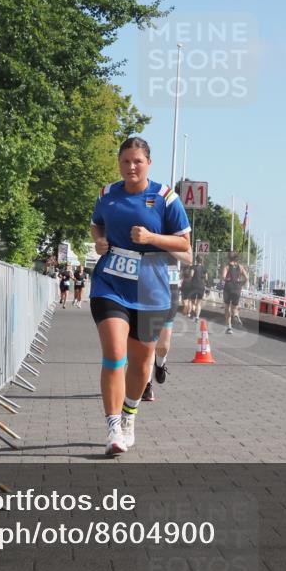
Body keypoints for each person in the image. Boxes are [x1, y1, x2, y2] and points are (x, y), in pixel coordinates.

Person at [89, 137, 191, 455]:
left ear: (148, 163)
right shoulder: (108, 194)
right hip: (110, 284)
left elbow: (185, 245)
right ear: (119, 163)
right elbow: (96, 226)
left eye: (137, 161)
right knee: (114, 353)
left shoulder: (165, 198)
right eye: (125, 161)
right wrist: (100, 242)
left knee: (141, 363)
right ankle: (112, 428)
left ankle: (129, 415)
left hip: (151, 288)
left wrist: (151, 237)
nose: (131, 167)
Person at [141, 244, 194, 402]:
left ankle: (160, 363)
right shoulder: (144, 227)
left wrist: (163, 243)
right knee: (149, 342)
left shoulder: (175, 231)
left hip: (170, 290)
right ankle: (147, 385)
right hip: (146, 287)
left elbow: (188, 257)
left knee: (162, 345)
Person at [220, 251, 249, 334]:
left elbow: (223, 277)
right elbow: (247, 278)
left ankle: (229, 327)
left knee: (227, 307)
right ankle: (236, 315)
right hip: (237, 288)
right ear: (236, 258)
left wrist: (226, 279)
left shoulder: (227, 267)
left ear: (229, 258)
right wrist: (241, 284)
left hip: (228, 287)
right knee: (234, 307)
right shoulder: (240, 267)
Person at [187, 255, 206, 320]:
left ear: (196, 260)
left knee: (192, 301)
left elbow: (191, 275)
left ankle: (193, 309)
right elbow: (206, 278)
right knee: (199, 302)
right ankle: (197, 317)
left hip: (194, 285)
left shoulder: (193, 267)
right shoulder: (204, 268)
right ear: (202, 260)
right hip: (201, 286)